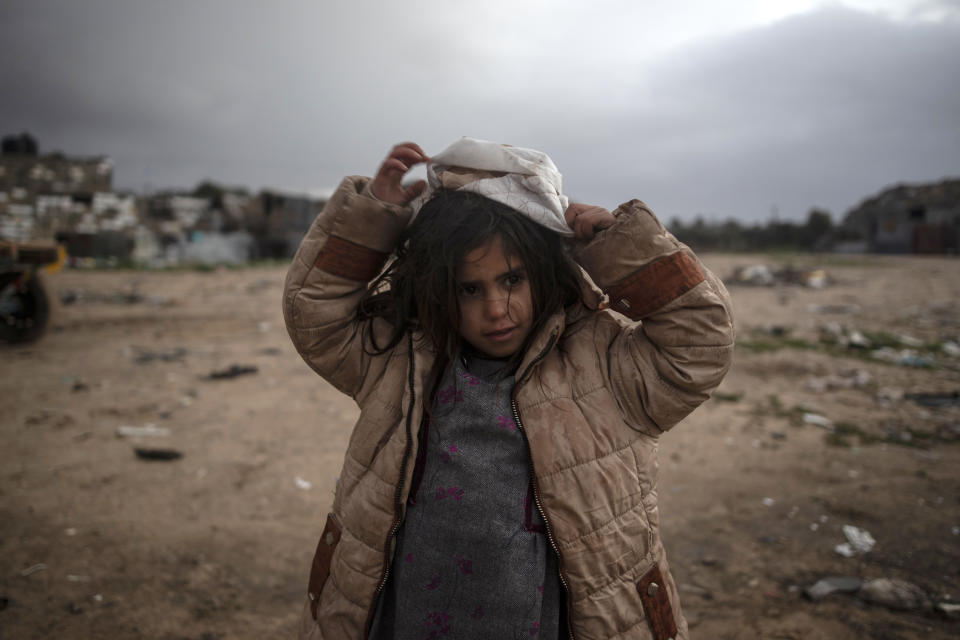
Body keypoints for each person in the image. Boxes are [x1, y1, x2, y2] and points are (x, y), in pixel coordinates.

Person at [283, 138, 734, 640]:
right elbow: (314, 316)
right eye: (469, 289)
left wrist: (615, 248)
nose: (496, 309)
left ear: (544, 270)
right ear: (437, 289)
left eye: (512, 280)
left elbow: (701, 344)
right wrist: (372, 219)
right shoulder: (399, 358)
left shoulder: (601, 365)